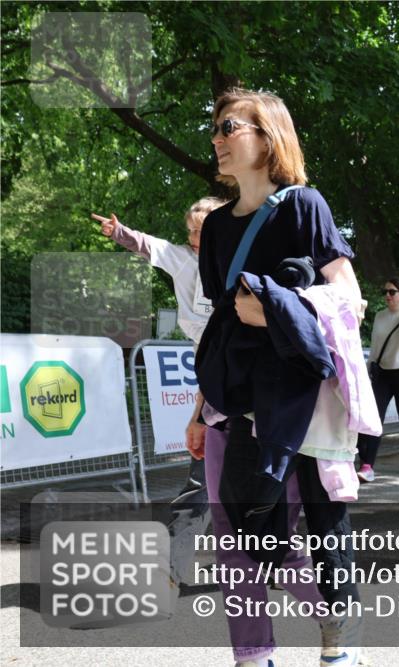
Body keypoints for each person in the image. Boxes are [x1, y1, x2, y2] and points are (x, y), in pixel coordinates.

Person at [191, 87, 365, 667]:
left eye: (230, 127)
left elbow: (350, 298)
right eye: (215, 128)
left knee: (306, 530)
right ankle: (255, 655)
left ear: (268, 137)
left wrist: (278, 310)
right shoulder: (217, 228)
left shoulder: (304, 206)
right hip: (236, 400)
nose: (217, 138)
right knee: (241, 533)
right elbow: (219, 327)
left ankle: (337, 631)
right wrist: (200, 408)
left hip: (300, 401)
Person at [92, 197, 227, 582]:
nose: (193, 237)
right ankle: (173, 562)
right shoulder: (183, 259)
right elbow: (151, 245)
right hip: (212, 366)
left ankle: (274, 556)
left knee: (257, 481)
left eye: (200, 231)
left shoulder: (241, 262)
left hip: (246, 370)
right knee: (204, 475)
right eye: (190, 231)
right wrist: (119, 232)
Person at [356, 277, 399, 481]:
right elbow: (376, 346)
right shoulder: (380, 316)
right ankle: (367, 466)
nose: (387, 295)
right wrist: (369, 368)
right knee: (375, 419)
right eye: (385, 292)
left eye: (392, 292)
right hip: (383, 373)